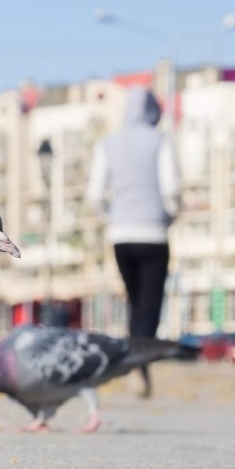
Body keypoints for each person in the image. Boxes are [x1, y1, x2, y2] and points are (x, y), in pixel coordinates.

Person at [87, 85, 181, 398]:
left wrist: (112, 217)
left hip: (121, 234)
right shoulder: (160, 139)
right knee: (149, 305)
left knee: (134, 300)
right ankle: (140, 368)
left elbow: (94, 195)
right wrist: (170, 215)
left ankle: (133, 366)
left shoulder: (108, 144)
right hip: (153, 232)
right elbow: (172, 188)